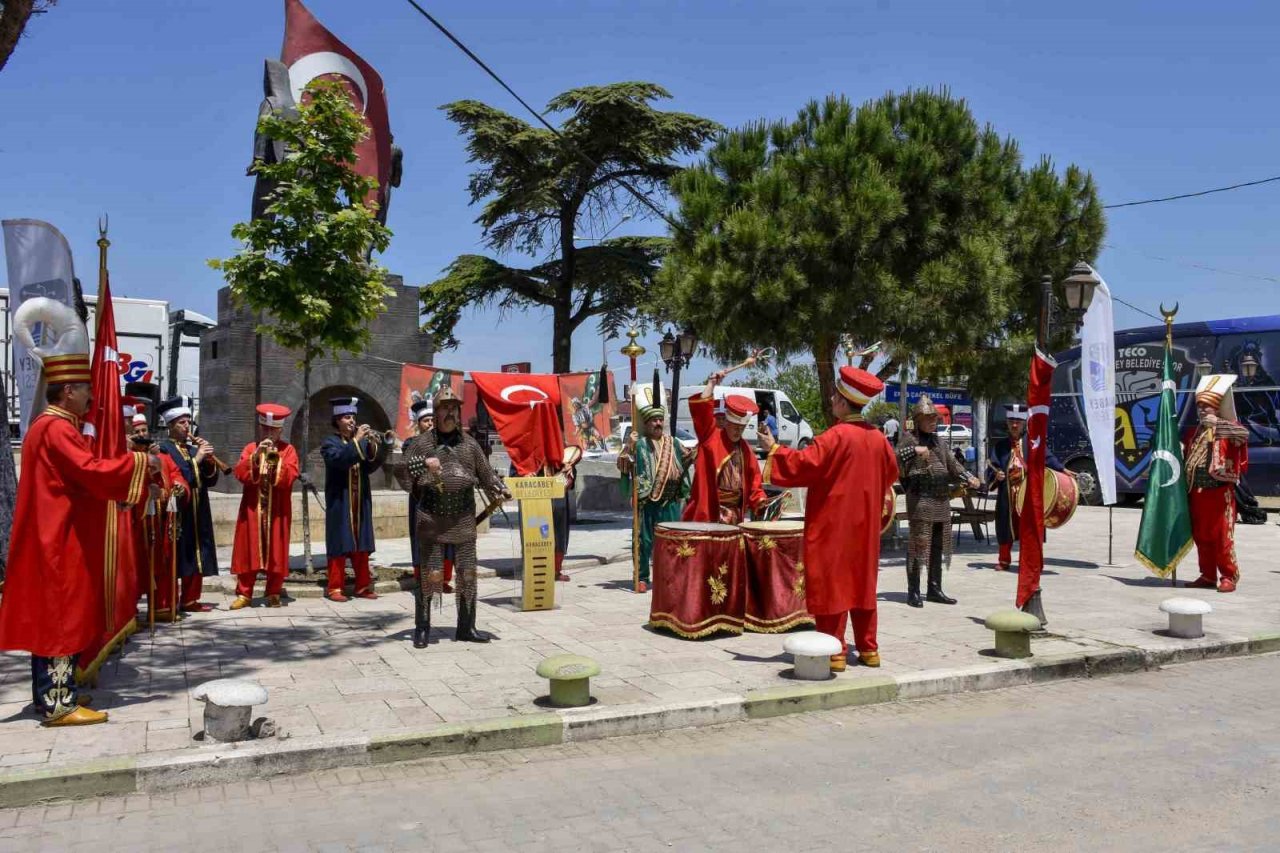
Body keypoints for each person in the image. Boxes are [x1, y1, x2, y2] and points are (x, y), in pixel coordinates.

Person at [0, 344, 155, 725]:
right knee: (60, 617)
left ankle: (52, 693)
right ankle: (58, 704)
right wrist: (138, 462)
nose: (90, 395)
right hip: (59, 537)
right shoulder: (56, 428)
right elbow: (89, 470)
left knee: (54, 614)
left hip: (52, 532)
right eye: (85, 388)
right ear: (67, 390)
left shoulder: (45, 426)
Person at [760, 366, 898, 670]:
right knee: (863, 585)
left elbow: (802, 465)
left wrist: (773, 449)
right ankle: (869, 649)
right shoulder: (878, 439)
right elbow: (890, 474)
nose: (833, 399)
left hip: (833, 527)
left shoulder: (833, 438)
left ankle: (834, 650)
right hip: (864, 529)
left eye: (835, 395)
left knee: (833, 585)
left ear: (843, 401)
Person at [400, 386, 509, 648]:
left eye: (454, 409)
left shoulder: (469, 444)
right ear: (435, 413)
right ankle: (422, 628)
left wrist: (499, 488)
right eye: (445, 409)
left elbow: (486, 475)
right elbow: (403, 471)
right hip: (432, 516)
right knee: (430, 574)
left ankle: (466, 627)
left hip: (462, 516)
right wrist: (424, 465)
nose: (450, 413)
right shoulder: (422, 443)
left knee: (468, 573)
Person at [896, 396, 980, 607]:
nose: (932, 421)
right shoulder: (909, 439)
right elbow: (894, 458)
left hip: (941, 499)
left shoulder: (939, 442)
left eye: (934, 418)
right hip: (921, 498)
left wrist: (968, 477)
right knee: (918, 545)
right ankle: (913, 591)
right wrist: (915, 451)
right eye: (928, 418)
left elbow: (953, 465)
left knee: (937, 546)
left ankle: (934, 588)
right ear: (918, 419)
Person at [617, 391, 694, 593]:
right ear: (647, 423)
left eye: (660, 420)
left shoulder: (673, 442)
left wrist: (696, 453)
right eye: (654, 420)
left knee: (672, 541)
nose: (658, 423)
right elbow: (624, 464)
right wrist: (628, 447)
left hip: (670, 501)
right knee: (644, 541)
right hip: (647, 502)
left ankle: (670, 575)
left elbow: (686, 460)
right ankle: (641, 577)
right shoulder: (640, 444)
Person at [229, 404, 300, 608]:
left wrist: (275, 459)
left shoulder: (288, 450)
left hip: (277, 510)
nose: (269, 433)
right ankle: (244, 593)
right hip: (253, 509)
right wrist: (256, 458)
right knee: (247, 548)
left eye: (273, 430)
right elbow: (240, 474)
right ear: (260, 429)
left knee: (277, 550)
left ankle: (274, 592)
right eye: (265, 429)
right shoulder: (251, 448)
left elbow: (290, 477)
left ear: (280, 430)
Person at [1183, 374, 1249, 592]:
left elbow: (1243, 434)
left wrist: (1219, 423)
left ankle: (1229, 576)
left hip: (1220, 493)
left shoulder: (1228, 428)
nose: (1202, 410)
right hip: (1197, 494)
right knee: (1202, 536)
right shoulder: (1196, 432)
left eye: (1207, 406)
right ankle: (1207, 575)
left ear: (1218, 408)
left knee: (1222, 537)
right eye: (1200, 406)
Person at [156, 395, 220, 613]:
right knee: (178, 555)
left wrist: (210, 462)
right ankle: (170, 601)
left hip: (199, 509)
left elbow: (209, 480)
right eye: (182, 423)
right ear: (171, 425)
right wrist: (199, 458)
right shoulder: (165, 449)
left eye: (188, 422)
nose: (187, 427)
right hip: (179, 510)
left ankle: (191, 599)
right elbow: (181, 475)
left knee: (198, 554)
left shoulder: (193, 449)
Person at [321, 397, 389, 602]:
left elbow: (370, 467)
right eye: (347, 417)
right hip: (340, 502)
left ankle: (362, 586)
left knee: (362, 544)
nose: (352, 421)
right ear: (337, 420)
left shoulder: (360, 440)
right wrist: (358, 441)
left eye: (353, 417)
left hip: (360, 502)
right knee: (339, 544)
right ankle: (334, 588)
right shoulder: (329, 443)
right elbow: (341, 460)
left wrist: (377, 446)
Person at [987, 404, 1067, 572]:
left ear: (1024, 424)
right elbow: (992, 467)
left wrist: (1063, 469)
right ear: (1007, 423)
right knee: (1005, 527)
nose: (1014, 425)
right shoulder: (1000, 446)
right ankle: (1004, 560)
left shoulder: (1033, 443)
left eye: (1018, 422)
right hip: (1007, 495)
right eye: (1011, 422)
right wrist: (997, 476)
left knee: (1029, 529)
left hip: (1029, 494)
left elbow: (1048, 458)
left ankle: (1028, 562)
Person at [684, 376, 768, 525]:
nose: (738, 431)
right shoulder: (710, 437)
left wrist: (760, 500)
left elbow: (755, 481)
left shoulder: (746, 450)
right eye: (735, 426)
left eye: (741, 428)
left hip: (735, 516)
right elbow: (702, 411)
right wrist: (711, 384)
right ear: (727, 421)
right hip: (710, 512)